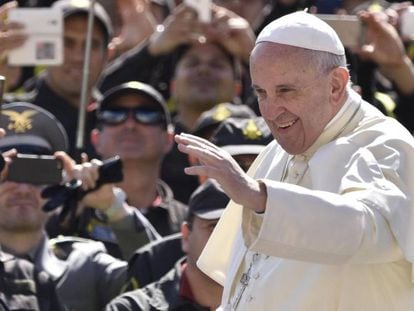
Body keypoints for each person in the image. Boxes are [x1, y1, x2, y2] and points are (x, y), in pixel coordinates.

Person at [175, 11, 414, 310]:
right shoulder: (279, 149)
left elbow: (367, 227)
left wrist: (262, 198)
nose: (272, 112)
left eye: (286, 91)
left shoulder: (382, 144)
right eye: (261, 93)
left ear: (336, 85)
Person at [0, 101, 156, 311]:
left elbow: (162, 284)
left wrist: (113, 207)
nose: (23, 188)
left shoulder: (85, 266)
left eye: (38, 173)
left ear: (58, 182)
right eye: (11, 173)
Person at [47, 81, 186, 254]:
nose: (130, 125)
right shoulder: (72, 210)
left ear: (169, 139)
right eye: (114, 115)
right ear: (96, 139)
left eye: (146, 114)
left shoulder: (188, 222)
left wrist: (114, 208)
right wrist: (66, 215)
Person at [8, 0, 115, 158]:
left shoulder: (119, 122)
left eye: (91, 45)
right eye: (67, 43)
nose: (78, 57)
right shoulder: (10, 111)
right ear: (45, 48)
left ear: (108, 55)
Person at [105, 179, 228, 311]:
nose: (230, 239)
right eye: (214, 226)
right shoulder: (131, 308)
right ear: (186, 235)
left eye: (241, 230)